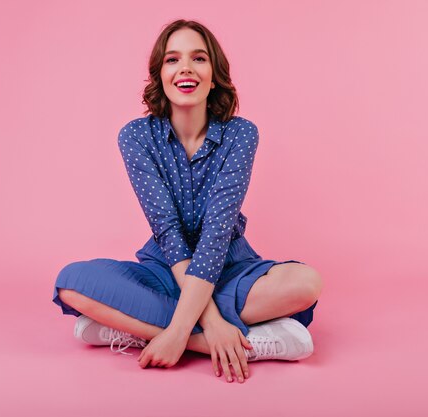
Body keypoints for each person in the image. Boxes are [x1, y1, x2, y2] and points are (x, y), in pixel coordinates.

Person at [52, 19, 323, 384]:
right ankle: (239, 342)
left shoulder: (241, 134)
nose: (185, 68)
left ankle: (136, 330)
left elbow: (216, 233)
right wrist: (205, 327)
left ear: (214, 76)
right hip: (166, 267)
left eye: (198, 58)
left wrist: (178, 328)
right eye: (172, 59)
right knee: (71, 282)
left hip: (228, 267)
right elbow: (167, 232)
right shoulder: (135, 136)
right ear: (160, 75)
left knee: (305, 283)